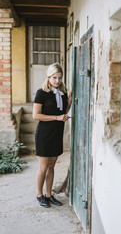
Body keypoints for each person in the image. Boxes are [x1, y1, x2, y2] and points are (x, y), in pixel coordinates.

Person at [33, 63, 72, 208]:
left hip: (56, 134)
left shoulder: (62, 93)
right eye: (54, 77)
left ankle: (49, 195)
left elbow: (63, 111)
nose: (57, 81)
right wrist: (56, 118)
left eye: (60, 78)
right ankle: (39, 194)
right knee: (43, 167)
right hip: (44, 134)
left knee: (51, 166)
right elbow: (36, 115)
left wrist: (69, 100)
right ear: (48, 77)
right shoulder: (41, 93)